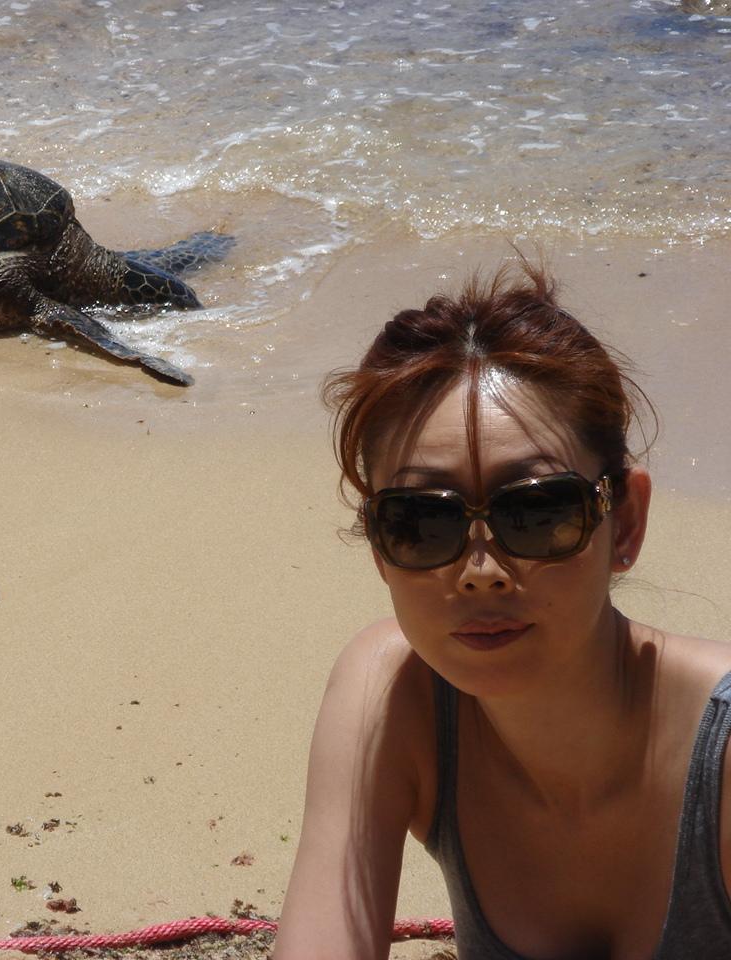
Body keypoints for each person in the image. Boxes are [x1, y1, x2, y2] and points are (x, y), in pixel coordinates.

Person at [273, 261, 731, 959]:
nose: (480, 573)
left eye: (537, 513)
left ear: (626, 522)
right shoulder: (394, 696)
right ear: (379, 546)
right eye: (421, 522)